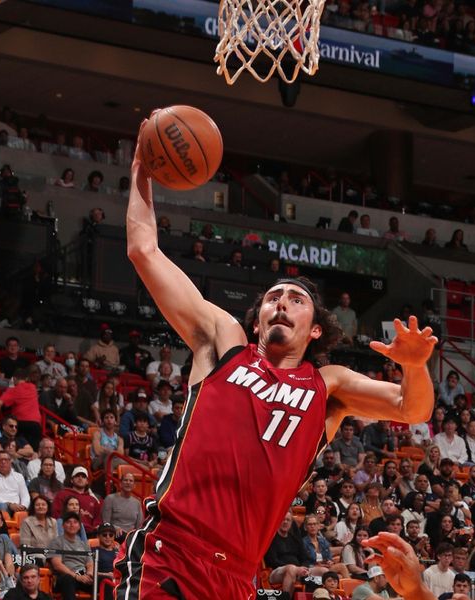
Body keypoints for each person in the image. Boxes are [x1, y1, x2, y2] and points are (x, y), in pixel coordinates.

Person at [113, 127, 436, 599]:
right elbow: (143, 250)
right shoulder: (224, 343)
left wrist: (414, 365)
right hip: (172, 553)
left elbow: (414, 409)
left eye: (296, 299)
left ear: (317, 327)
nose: (282, 303)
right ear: (260, 317)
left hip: (239, 576)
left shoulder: (329, 384)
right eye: (273, 297)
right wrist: (142, 167)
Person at [48, 511, 94, 600]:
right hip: (65, 577)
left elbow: (90, 564)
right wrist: (77, 577)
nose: (72, 525)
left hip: (83, 576)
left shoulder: (84, 544)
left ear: (79, 526)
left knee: (103, 581)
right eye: (68, 522)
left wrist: (89, 574)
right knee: (68, 579)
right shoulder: (56, 542)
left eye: (75, 522)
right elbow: (57, 565)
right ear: (63, 526)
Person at [101, 472, 143, 538]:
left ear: (134, 485)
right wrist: (115, 528)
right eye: (125, 480)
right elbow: (105, 522)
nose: (128, 482)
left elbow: (139, 527)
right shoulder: (110, 499)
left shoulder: (137, 503)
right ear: (120, 484)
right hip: (114, 535)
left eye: (131, 481)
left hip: (130, 537)